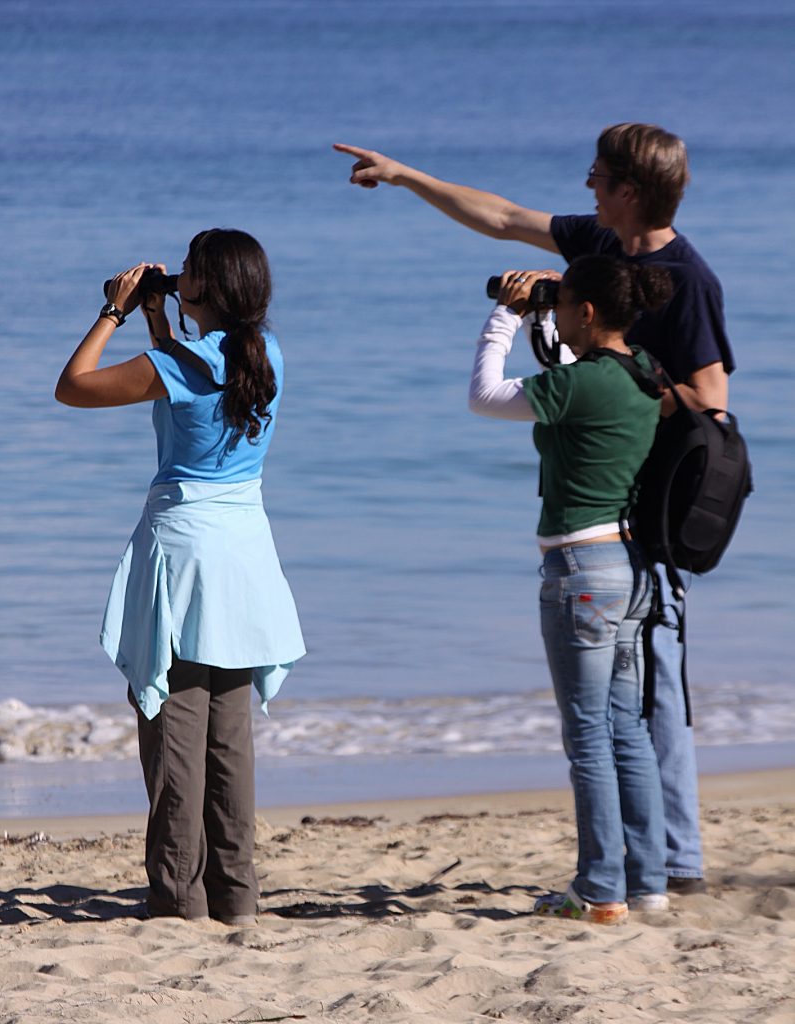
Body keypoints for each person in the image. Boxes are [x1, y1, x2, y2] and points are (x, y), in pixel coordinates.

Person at [335, 124, 735, 891]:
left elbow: (712, 402)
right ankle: (654, 869)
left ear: (628, 190)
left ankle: (675, 861)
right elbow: (503, 217)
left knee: (652, 691)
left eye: (597, 175)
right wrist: (404, 174)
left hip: (646, 513)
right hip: (609, 508)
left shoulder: (689, 277)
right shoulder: (599, 247)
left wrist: (616, 383)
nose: (586, 186)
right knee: (627, 702)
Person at [55, 228, 306, 924]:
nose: (181, 271)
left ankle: (177, 899)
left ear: (210, 287)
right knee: (229, 738)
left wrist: (113, 312)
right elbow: (200, 371)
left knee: (172, 732)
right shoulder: (266, 354)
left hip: (184, 553)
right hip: (245, 554)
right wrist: (162, 318)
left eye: (190, 268)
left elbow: (72, 387)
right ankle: (237, 896)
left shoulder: (182, 366)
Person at [469, 256, 672, 922]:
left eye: (561, 305)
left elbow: (484, 396)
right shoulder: (642, 370)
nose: (551, 313)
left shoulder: (582, 384)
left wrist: (504, 315)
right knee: (627, 732)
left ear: (585, 312)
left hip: (581, 574)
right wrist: (544, 312)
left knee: (586, 737)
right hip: (632, 567)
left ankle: (599, 891)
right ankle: (647, 886)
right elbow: (573, 368)